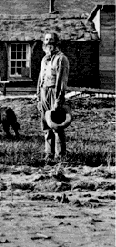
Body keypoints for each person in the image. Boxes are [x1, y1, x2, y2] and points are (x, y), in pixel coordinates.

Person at [36, 32, 70, 162]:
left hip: (54, 94)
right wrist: (39, 97)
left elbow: (62, 81)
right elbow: (40, 79)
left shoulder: (62, 59)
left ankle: (60, 156)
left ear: (57, 42)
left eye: (51, 40)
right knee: (46, 125)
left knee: (56, 125)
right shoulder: (44, 59)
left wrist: (58, 100)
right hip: (44, 93)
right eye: (46, 39)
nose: (48, 42)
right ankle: (48, 154)